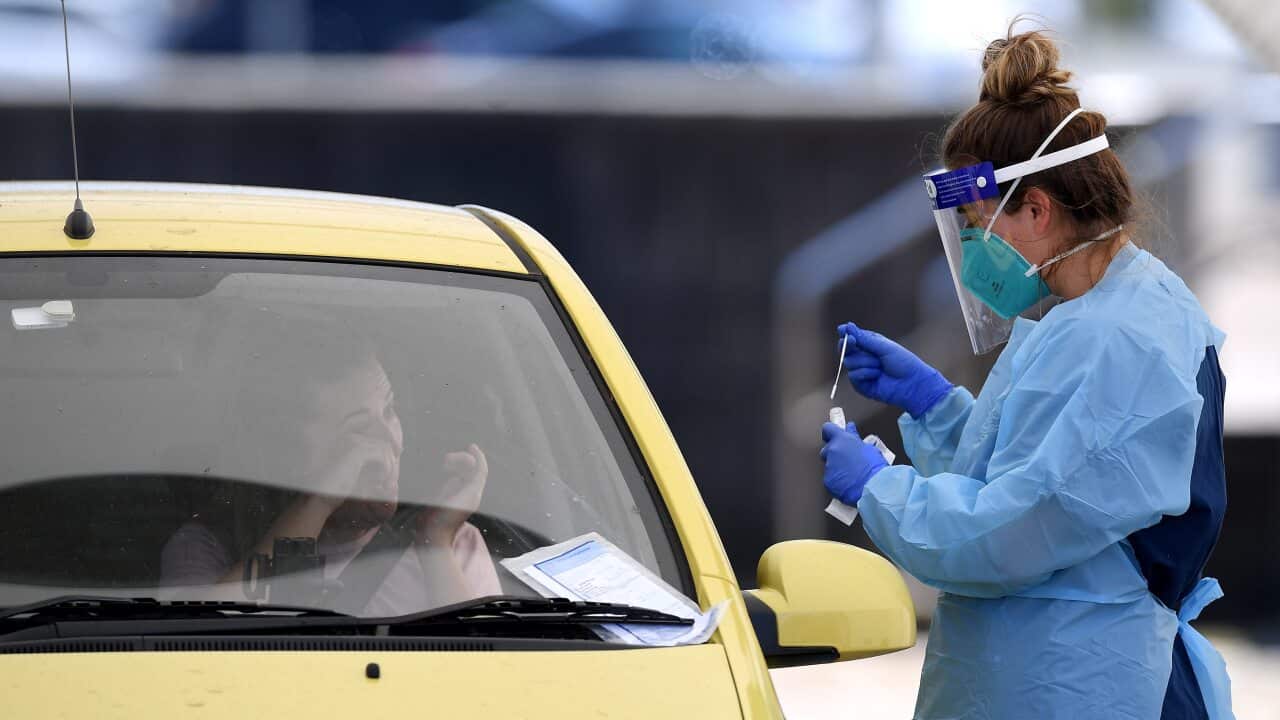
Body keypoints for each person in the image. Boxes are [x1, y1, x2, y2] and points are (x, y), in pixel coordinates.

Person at [819, 24, 1233, 720]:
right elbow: (1035, 474)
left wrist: (880, 491)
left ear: (1037, 209)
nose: (975, 254)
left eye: (979, 228)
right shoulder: (1097, 309)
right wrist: (934, 406)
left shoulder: (1116, 341)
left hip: (1083, 683)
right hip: (1056, 670)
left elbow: (1010, 533)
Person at [160, 313, 501, 615]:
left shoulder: (449, 541)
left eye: (389, 411)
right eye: (358, 429)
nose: (390, 443)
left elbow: (487, 673)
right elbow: (202, 649)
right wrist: (318, 503)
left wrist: (436, 542)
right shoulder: (208, 547)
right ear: (285, 452)